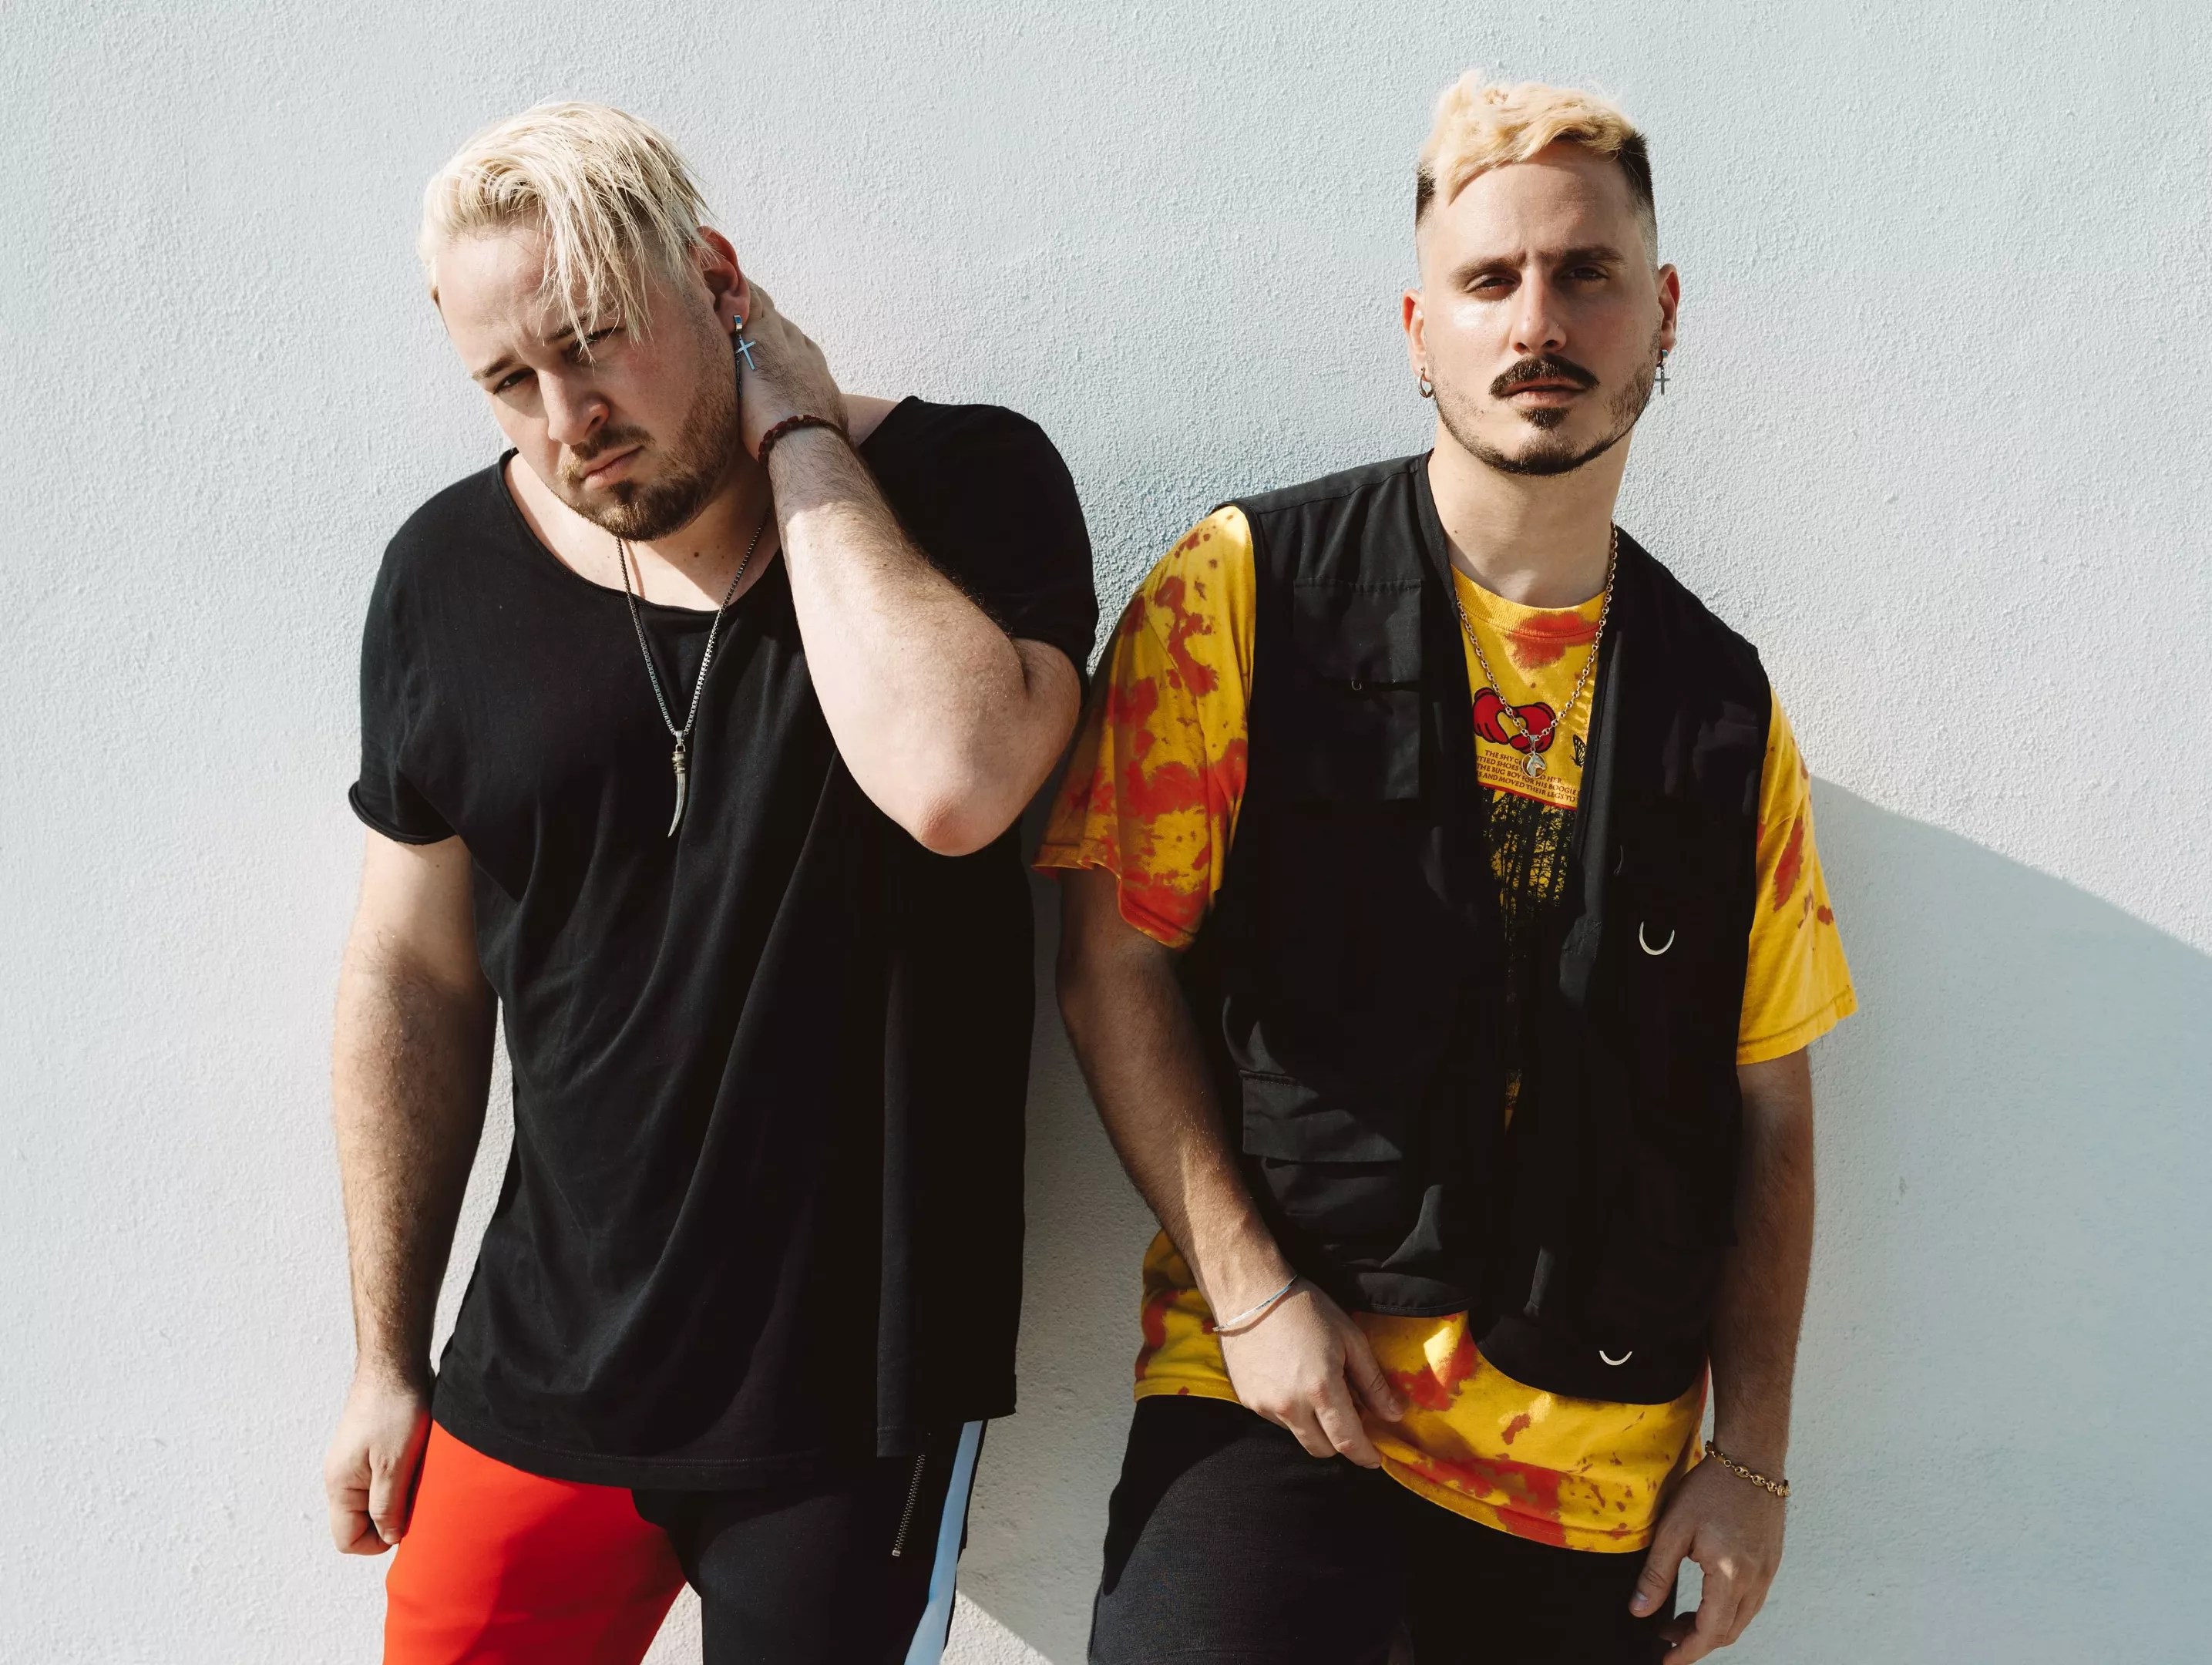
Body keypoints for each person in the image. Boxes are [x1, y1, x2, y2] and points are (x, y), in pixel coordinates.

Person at [1044, 74, 1855, 1664]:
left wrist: (1751, 1458)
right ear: (1421, 331)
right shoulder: (1241, 592)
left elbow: (1769, 1103)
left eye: (1585, 273)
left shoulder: (1724, 709)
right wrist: (1249, 1296)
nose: (1536, 322)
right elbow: (1107, 959)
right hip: (1282, 1407)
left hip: (1593, 1480)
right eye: (1491, 281)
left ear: (1661, 313)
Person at [321, 102, 1095, 1665]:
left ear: (719, 279)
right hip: (533, 1373)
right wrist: (385, 1361)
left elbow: (954, 783)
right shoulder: (440, 575)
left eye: (594, 341)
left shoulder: (964, 481)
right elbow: (409, 973)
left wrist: (797, 432)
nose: (567, 418)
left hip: (844, 1407)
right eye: (507, 382)